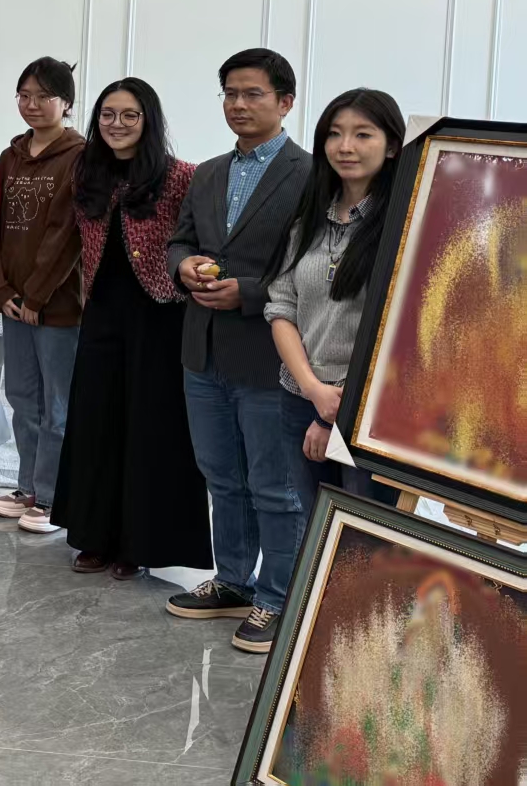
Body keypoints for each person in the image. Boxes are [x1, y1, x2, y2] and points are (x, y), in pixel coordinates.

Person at [166, 47, 312, 655]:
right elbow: (179, 241)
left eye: (253, 94)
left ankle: (278, 599)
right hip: (202, 349)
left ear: (285, 101)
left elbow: (310, 268)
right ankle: (232, 579)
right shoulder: (207, 173)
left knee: (275, 486)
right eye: (230, 93)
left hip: (268, 352)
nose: (238, 105)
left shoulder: (309, 175)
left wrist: (249, 292)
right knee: (221, 477)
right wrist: (185, 267)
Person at [52, 79, 211, 578]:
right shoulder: (88, 171)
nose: (116, 124)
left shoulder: (181, 176)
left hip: (160, 314)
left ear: (148, 120)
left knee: (150, 428)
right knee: (95, 422)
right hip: (101, 312)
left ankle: (137, 545)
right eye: (107, 114)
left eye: (129, 115)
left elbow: (195, 242)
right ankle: (93, 536)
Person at [267, 88, 405, 527]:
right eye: (334, 134)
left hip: (369, 409)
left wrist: (334, 414)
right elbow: (281, 308)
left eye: (363, 134)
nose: (345, 146)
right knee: (316, 530)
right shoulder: (309, 218)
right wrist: (313, 390)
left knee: (365, 537)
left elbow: (397, 330)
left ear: (392, 146)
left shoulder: (404, 225)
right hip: (300, 397)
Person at [0, 57, 85, 534]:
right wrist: (0, 288)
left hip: (57, 307)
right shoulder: (10, 157)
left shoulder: (80, 156)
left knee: (57, 406)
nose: (32, 104)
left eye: (44, 96)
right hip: (13, 302)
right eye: (25, 95)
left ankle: (53, 496)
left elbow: (68, 235)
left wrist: (37, 296)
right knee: (22, 398)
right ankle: (27, 486)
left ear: (66, 102)